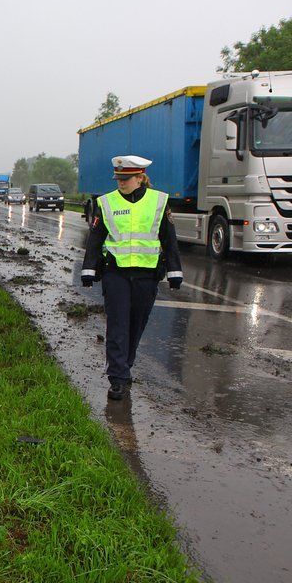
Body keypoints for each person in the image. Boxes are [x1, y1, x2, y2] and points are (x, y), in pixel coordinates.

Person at [81, 155, 182, 400]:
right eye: (118, 179)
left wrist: (174, 272)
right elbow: (95, 239)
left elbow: (169, 239)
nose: (121, 183)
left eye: (126, 179)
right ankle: (118, 378)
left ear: (140, 177)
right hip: (116, 274)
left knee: (136, 325)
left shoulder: (159, 201)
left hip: (147, 276)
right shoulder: (107, 202)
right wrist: (89, 270)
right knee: (117, 325)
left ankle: (124, 366)